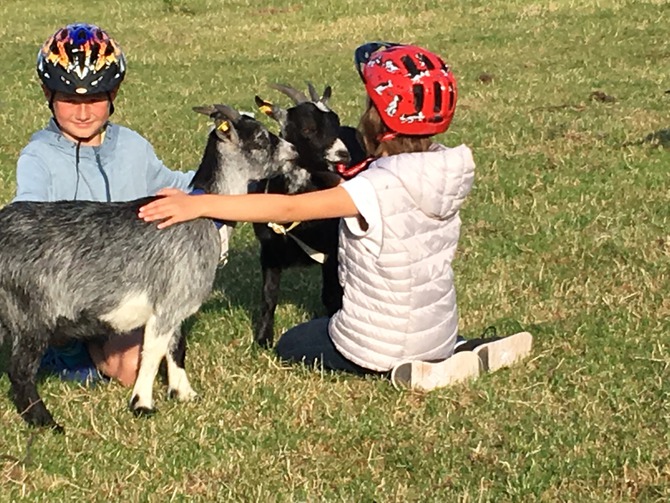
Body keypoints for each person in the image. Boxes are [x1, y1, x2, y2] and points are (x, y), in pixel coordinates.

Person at [138, 42, 532, 391]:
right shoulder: (447, 170)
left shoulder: (375, 188)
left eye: (369, 105)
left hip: (379, 343)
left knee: (294, 343)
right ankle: (456, 350)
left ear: (379, 120)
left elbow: (287, 208)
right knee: (418, 323)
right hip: (440, 330)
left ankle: (402, 370)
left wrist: (200, 204)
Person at [14, 23, 194, 387]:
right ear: (48, 93)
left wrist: (234, 184)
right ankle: (59, 346)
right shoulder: (38, 156)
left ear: (114, 92)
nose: (83, 113)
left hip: (119, 289)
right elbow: (26, 224)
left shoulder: (132, 147)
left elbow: (177, 185)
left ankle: (92, 350)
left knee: (132, 370)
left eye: (94, 99)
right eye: (70, 99)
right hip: (66, 290)